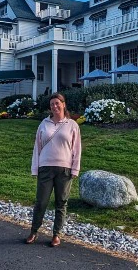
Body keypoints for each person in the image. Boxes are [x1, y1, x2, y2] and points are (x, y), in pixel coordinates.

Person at [25, 92, 82, 247]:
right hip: (45, 168)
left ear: (63, 104)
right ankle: (34, 231)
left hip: (64, 170)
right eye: (52, 104)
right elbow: (37, 147)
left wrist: (75, 169)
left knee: (61, 202)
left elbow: (77, 149)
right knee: (41, 202)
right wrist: (35, 168)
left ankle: (56, 234)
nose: (55, 106)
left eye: (57, 103)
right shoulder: (43, 124)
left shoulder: (72, 125)